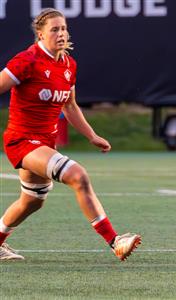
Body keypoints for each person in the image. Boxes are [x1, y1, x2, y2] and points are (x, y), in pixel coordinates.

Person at [0, 8, 141, 261]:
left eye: (63, 28)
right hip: (22, 140)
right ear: (40, 35)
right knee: (78, 175)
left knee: (31, 201)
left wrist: (91, 135)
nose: (61, 33)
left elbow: (70, 105)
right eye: (54, 29)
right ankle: (114, 240)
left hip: (44, 144)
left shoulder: (67, 64)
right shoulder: (27, 60)